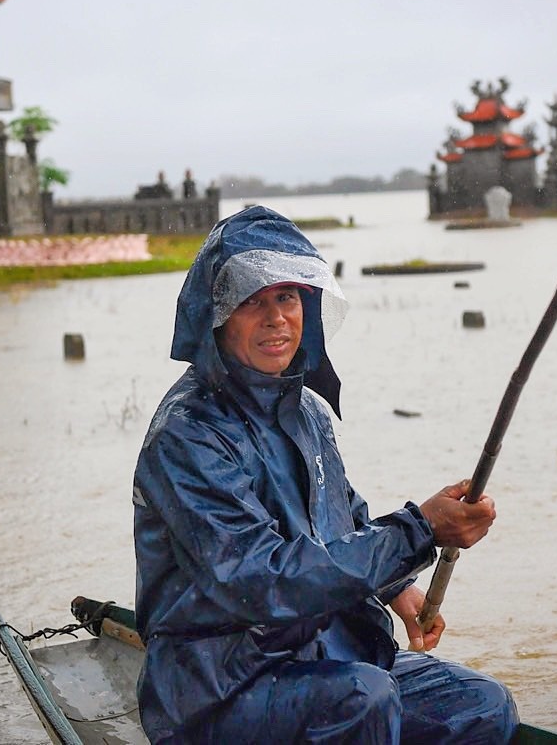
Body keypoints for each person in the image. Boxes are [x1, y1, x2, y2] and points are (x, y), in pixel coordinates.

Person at [132, 206, 519, 743]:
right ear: (217, 316)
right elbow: (258, 579)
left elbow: (340, 516)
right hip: (216, 689)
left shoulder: (305, 410)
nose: (275, 319)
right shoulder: (187, 435)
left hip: (318, 654)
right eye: (252, 301)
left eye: (286, 297)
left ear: (307, 307)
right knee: (363, 700)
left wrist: (397, 583)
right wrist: (419, 531)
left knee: (480, 706)